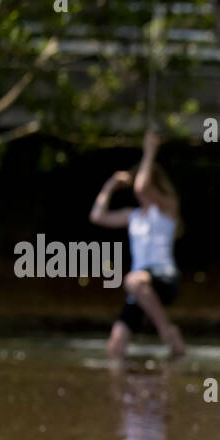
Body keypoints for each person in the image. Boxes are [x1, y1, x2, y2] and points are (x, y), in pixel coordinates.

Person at [89, 129, 185, 358]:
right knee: (115, 346)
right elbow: (97, 216)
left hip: (163, 277)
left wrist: (149, 152)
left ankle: (165, 329)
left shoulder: (167, 208)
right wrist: (110, 186)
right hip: (141, 286)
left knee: (132, 281)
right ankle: (178, 350)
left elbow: (142, 186)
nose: (139, 193)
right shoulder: (133, 216)